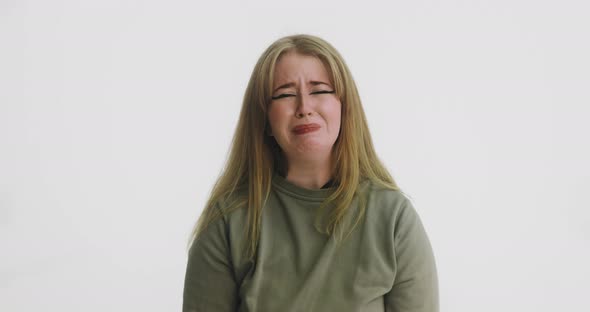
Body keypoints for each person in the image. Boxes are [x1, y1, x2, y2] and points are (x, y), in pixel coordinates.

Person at [182, 34, 439, 312]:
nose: (304, 108)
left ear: (344, 107)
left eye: (319, 91)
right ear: (264, 119)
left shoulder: (393, 219)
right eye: (285, 94)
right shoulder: (226, 223)